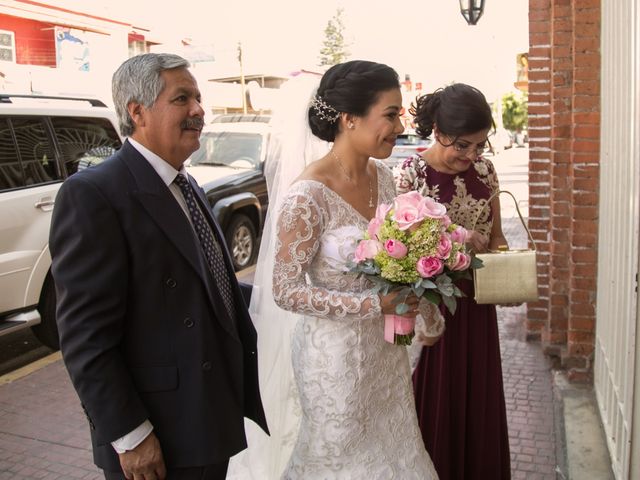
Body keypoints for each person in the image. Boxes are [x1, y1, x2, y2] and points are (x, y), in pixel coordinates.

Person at [49, 53, 268, 480]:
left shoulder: (187, 184)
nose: (199, 111)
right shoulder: (95, 194)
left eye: (199, 98)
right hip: (159, 436)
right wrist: (130, 435)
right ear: (137, 112)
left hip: (207, 418)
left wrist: (280, 298)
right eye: (182, 98)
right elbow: (83, 337)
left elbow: (210, 284)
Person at [230, 60, 443, 479]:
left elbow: (402, 260)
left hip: (388, 353)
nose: (400, 126)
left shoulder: (385, 177)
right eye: (390, 114)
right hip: (333, 361)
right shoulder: (309, 195)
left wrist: (427, 312)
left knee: (396, 450)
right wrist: (375, 304)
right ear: (349, 119)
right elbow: (286, 290)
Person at [394, 83, 511, 479]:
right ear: (438, 130)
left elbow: (497, 238)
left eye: (480, 145)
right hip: (434, 306)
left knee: (478, 397)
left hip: (478, 302)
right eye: (462, 145)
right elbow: (401, 251)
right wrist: (456, 241)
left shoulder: (485, 170)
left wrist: (506, 270)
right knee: (437, 396)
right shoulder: (410, 174)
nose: (472, 155)